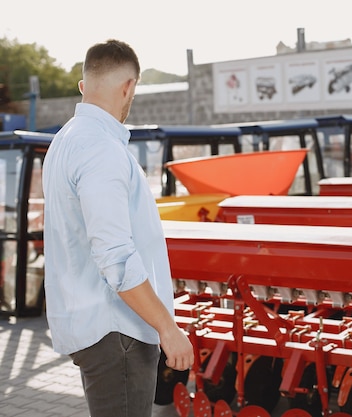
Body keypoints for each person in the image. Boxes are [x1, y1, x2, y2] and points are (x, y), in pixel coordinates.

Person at [42, 39, 194, 417]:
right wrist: (167, 328)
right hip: (119, 332)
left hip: (94, 325)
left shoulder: (64, 143)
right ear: (129, 87)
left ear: (83, 86)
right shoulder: (102, 151)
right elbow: (116, 255)